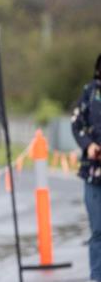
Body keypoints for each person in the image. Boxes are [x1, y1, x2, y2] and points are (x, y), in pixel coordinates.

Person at [71, 54, 101, 282]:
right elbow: (76, 122)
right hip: (94, 173)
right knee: (98, 229)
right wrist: (88, 145)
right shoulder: (90, 92)